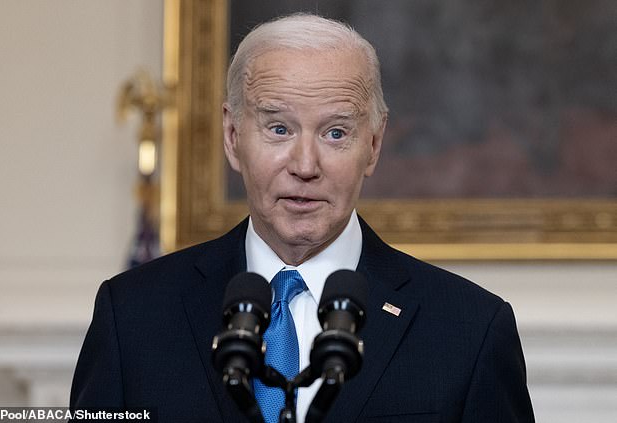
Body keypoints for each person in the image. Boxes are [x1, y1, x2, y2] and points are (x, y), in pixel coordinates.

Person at [70, 13, 534, 423]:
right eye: (278, 128)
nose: (305, 166)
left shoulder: (469, 329)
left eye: (335, 133)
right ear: (233, 137)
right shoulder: (132, 315)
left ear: (372, 145)